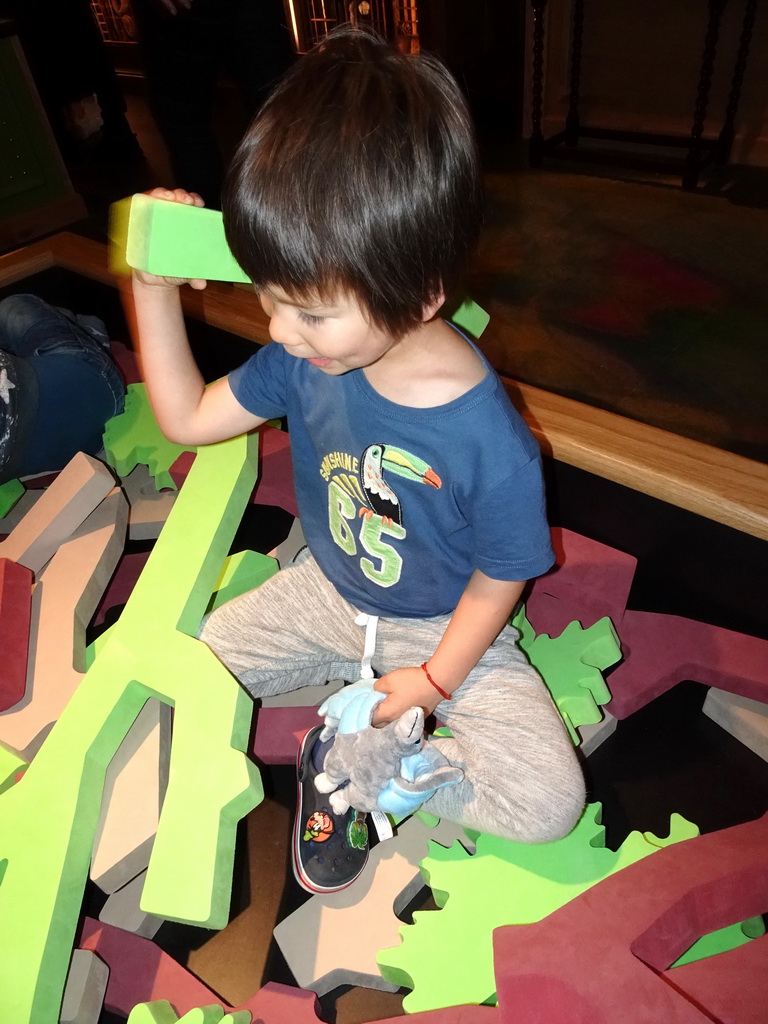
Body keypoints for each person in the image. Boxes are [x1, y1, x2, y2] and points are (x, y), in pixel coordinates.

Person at [129, 26, 586, 894]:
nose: (277, 330)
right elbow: (188, 417)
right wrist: (148, 293)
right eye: (268, 297)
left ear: (419, 295)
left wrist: (429, 680)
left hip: (443, 630)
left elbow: (501, 579)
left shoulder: (490, 442)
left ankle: (403, 770)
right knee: (181, 671)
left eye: (306, 310)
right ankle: (356, 728)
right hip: (328, 593)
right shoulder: (310, 358)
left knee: (549, 800)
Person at [0, 294, 125, 485]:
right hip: (95, 390)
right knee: (15, 306)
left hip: (42, 458)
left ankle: (71, 331)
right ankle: (88, 336)